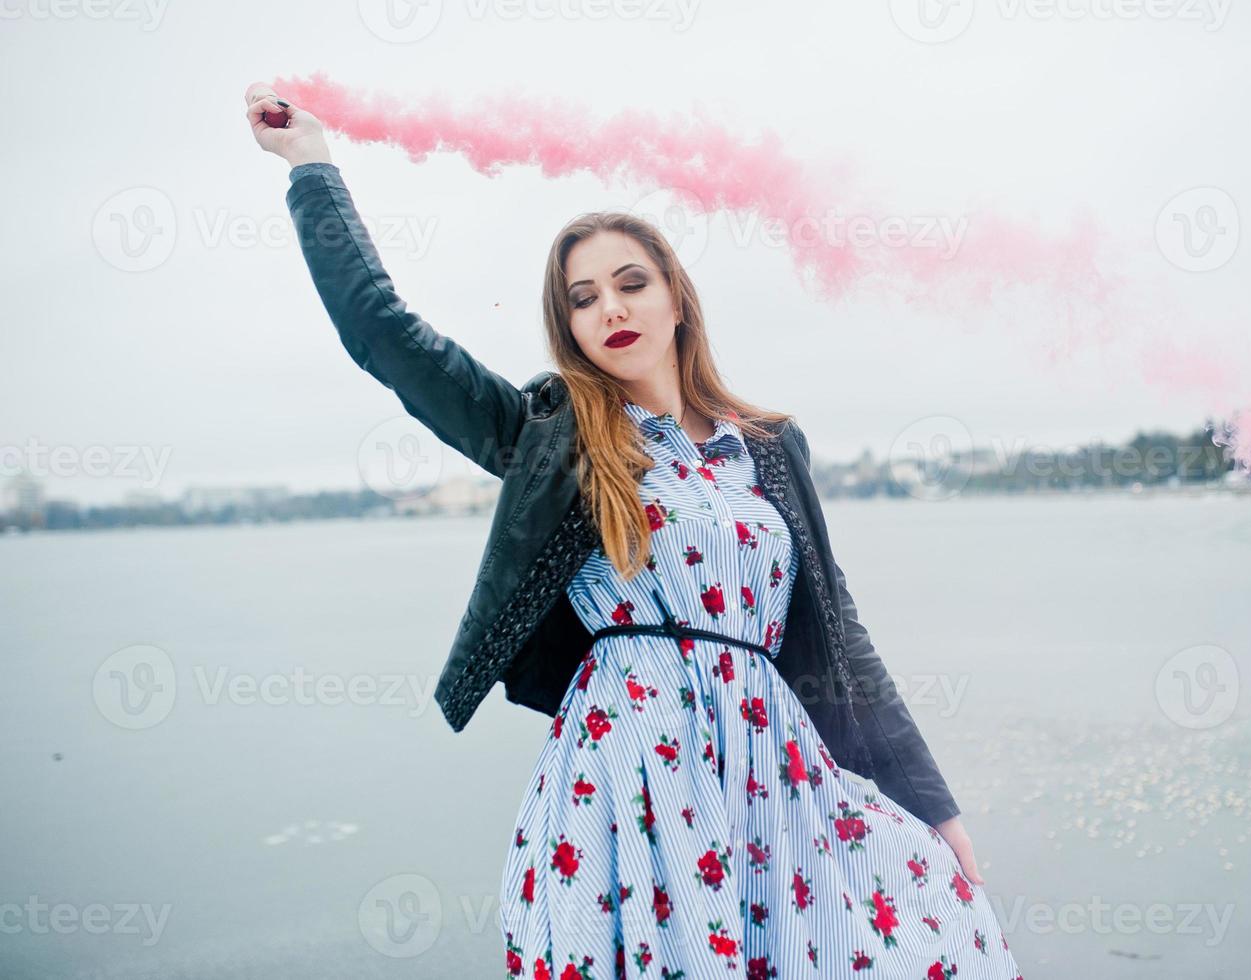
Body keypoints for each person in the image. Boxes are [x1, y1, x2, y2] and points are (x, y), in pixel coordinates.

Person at [244, 84, 1023, 980]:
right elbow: (386, 337)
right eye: (582, 297)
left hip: (769, 769)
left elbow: (840, 634)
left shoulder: (768, 448)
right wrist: (311, 168)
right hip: (625, 774)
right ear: (569, 325)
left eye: (629, 283)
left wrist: (932, 805)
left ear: (675, 300)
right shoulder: (554, 437)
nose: (609, 308)